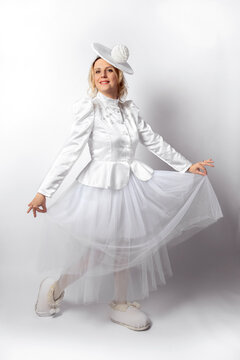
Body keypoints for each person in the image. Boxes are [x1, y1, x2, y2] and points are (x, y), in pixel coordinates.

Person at [27, 42, 223, 331]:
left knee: (124, 247)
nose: (103, 75)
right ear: (92, 78)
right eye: (97, 71)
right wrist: (45, 190)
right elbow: (70, 152)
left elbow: (154, 142)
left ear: (119, 76)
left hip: (130, 185)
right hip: (99, 188)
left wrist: (185, 165)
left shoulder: (130, 111)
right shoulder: (90, 110)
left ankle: (119, 304)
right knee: (98, 250)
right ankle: (55, 287)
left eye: (109, 70)